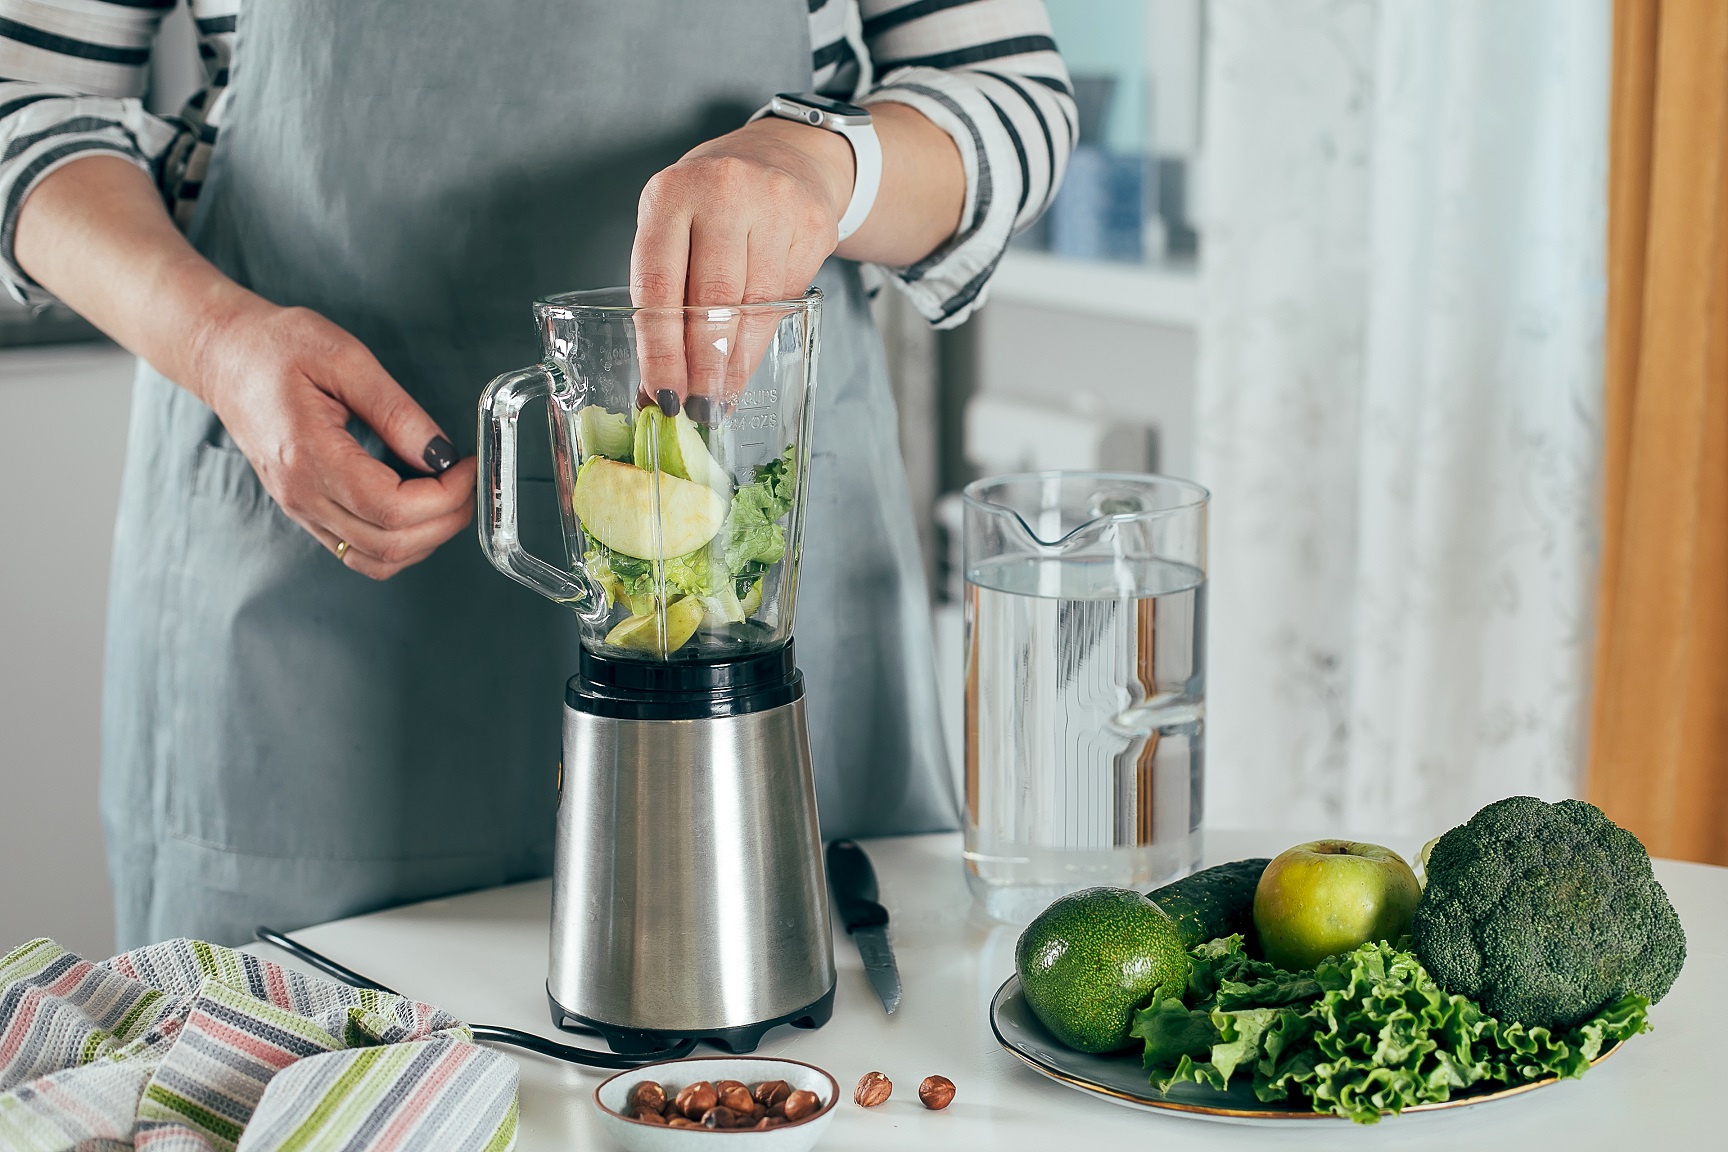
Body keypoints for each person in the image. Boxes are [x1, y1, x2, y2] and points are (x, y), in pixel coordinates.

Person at [0, 0, 1075, 948]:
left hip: (736, 595)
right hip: (309, 627)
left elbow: (1011, 95)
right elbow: (22, 95)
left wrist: (824, 164)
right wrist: (216, 344)